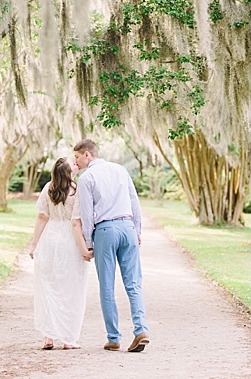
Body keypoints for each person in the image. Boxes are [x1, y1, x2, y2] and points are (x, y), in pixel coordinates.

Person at [73, 139, 150, 352]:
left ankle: (114, 337)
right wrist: (137, 229)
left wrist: (89, 244)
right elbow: (134, 201)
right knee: (134, 283)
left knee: (107, 286)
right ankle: (141, 330)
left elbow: (87, 215)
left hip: (106, 231)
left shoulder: (86, 177)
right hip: (127, 227)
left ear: (87, 154)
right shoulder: (120, 169)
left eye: (77, 157)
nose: (76, 161)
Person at [29, 157, 91, 350]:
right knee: (70, 289)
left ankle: (49, 337)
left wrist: (34, 244)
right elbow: (76, 223)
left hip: (50, 239)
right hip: (69, 241)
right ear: (68, 172)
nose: (76, 163)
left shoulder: (48, 188)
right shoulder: (77, 190)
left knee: (50, 287)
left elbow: (42, 217)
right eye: (73, 163)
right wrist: (84, 249)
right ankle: (67, 339)